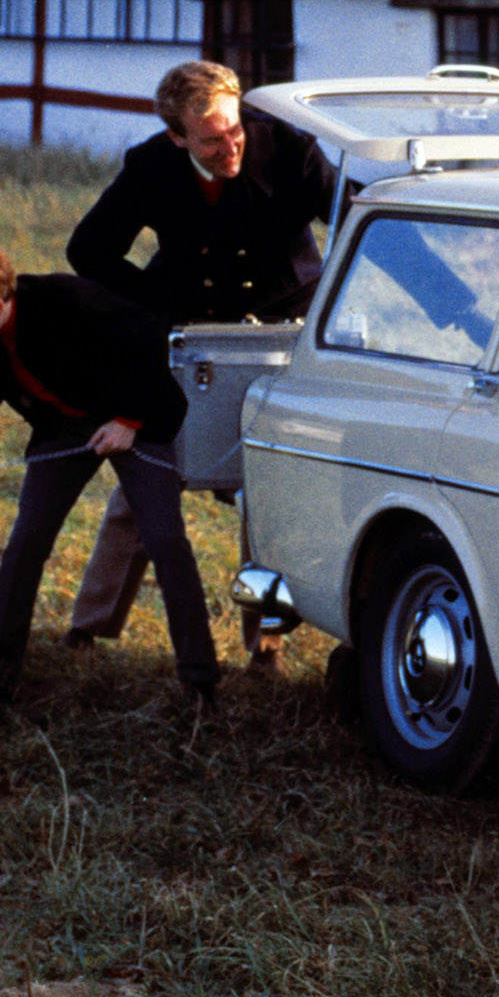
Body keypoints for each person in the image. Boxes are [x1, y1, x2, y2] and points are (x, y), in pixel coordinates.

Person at [61, 60, 335, 655]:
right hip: (193, 332)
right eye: (211, 140)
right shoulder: (150, 166)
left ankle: (264, 641)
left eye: (235, 132)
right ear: (176, 136)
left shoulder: (289, 147)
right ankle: (87, 627)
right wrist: (156, 305)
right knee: (147, 470)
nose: (230, 147)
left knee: (265, 488)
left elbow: (365, 219)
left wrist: (457, 311)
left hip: (282, 327)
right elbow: (87, 249)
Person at [0, 240, 220, 704]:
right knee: (25, 544)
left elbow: (150, 347)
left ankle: (200, 680)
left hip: (137, 419)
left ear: (1, 303)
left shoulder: (71, 300)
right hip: (62, 430)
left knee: (164, 538)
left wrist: (129, 422)